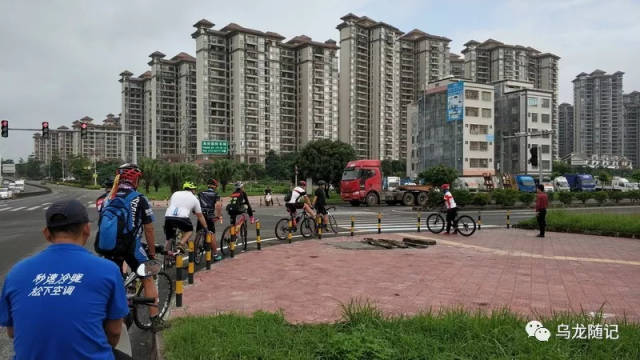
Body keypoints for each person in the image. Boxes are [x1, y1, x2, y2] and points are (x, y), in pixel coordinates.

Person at [0, 199, 128, 359]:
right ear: (87, 230)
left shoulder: (15, 273)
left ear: (46, 234)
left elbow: (12, 332)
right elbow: (115, 332)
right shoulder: (108, 270)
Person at [98, 163, 167, 332]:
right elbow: (149, 229)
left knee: (113, 280)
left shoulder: (108, 198)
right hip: (130, 247)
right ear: (135, 179)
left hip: (108, 247)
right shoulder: (139, 198)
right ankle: (155, 321)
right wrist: (151, 252)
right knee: (148, 277)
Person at [164, 181, 209, 252]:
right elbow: (200, 216)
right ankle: (181, 244)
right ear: (192, 189)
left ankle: (166, 254)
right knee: (189, 230)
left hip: (168, 216)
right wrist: (206, 228)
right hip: (182, 217)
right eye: (194, 189)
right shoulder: (194, 198)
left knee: (169, 237)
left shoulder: (175, 193)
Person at [197, 179, 223, 261]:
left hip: (201, 215)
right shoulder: (215, 194)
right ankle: (215, 254)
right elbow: (218, 206)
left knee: (199, 232)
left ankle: (195, 250)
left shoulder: (201, 193)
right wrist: (218, 216)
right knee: (212, 234)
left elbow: (196, 203)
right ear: (215, 186)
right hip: (209, 216)